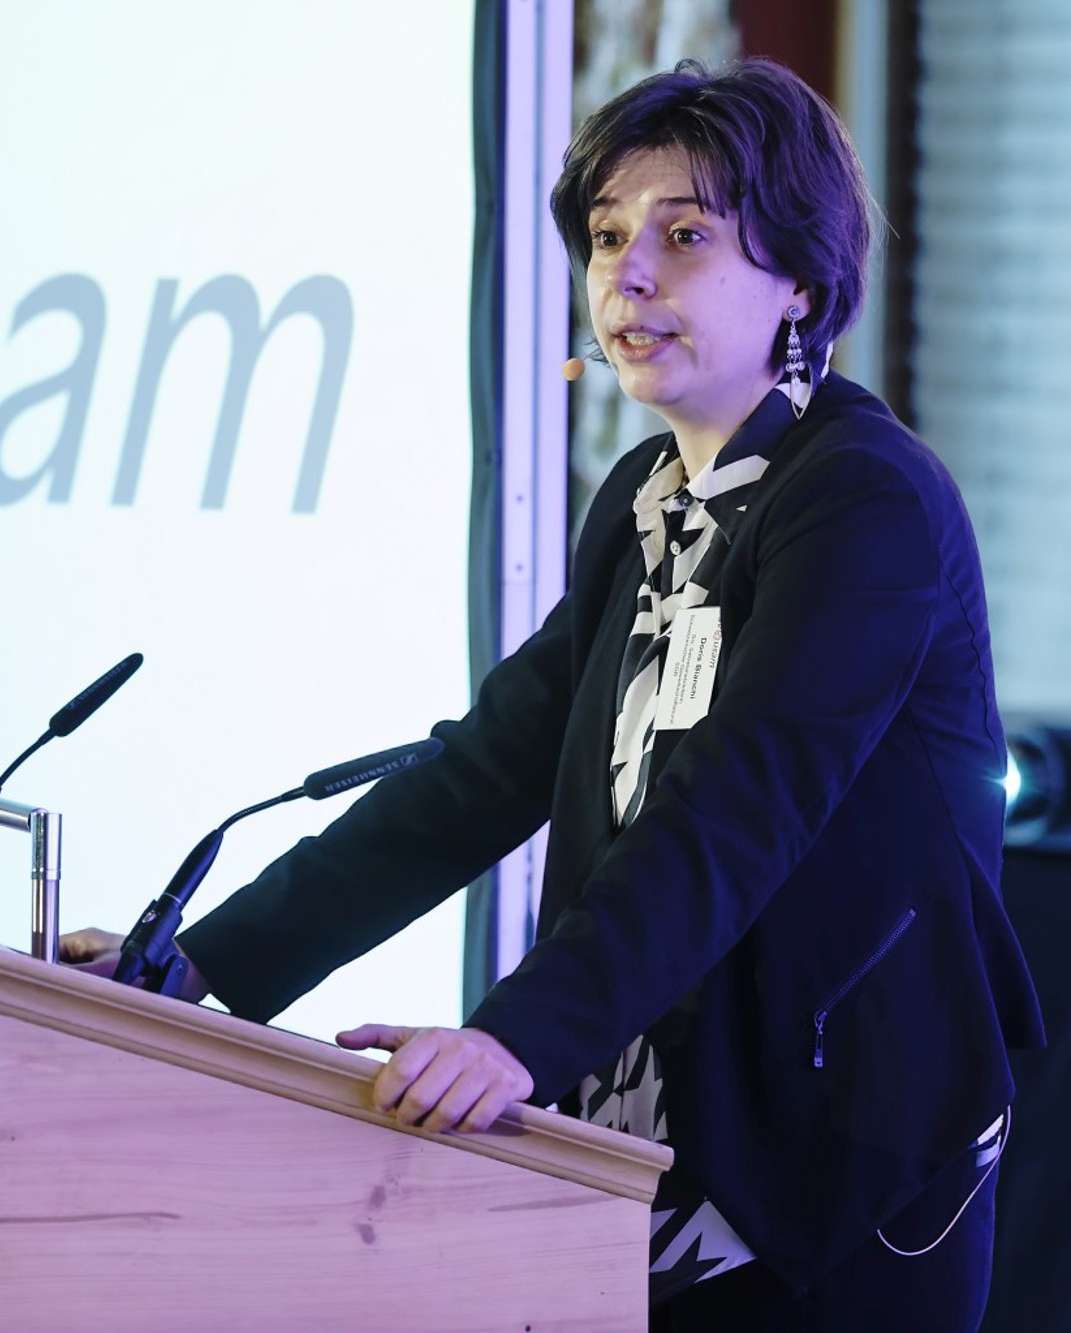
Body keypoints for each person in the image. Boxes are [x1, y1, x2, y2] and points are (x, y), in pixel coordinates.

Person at [63, 57, 1044, 1331]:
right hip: (652, 1118)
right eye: (605, 234)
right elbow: (480, 777)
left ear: (800, 280)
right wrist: (195, 964)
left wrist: (515, 1039)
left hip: (835, 1148)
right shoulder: (645, 497)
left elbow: (734, 808)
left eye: (682, 236)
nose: (625, 275)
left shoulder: (863, 500)